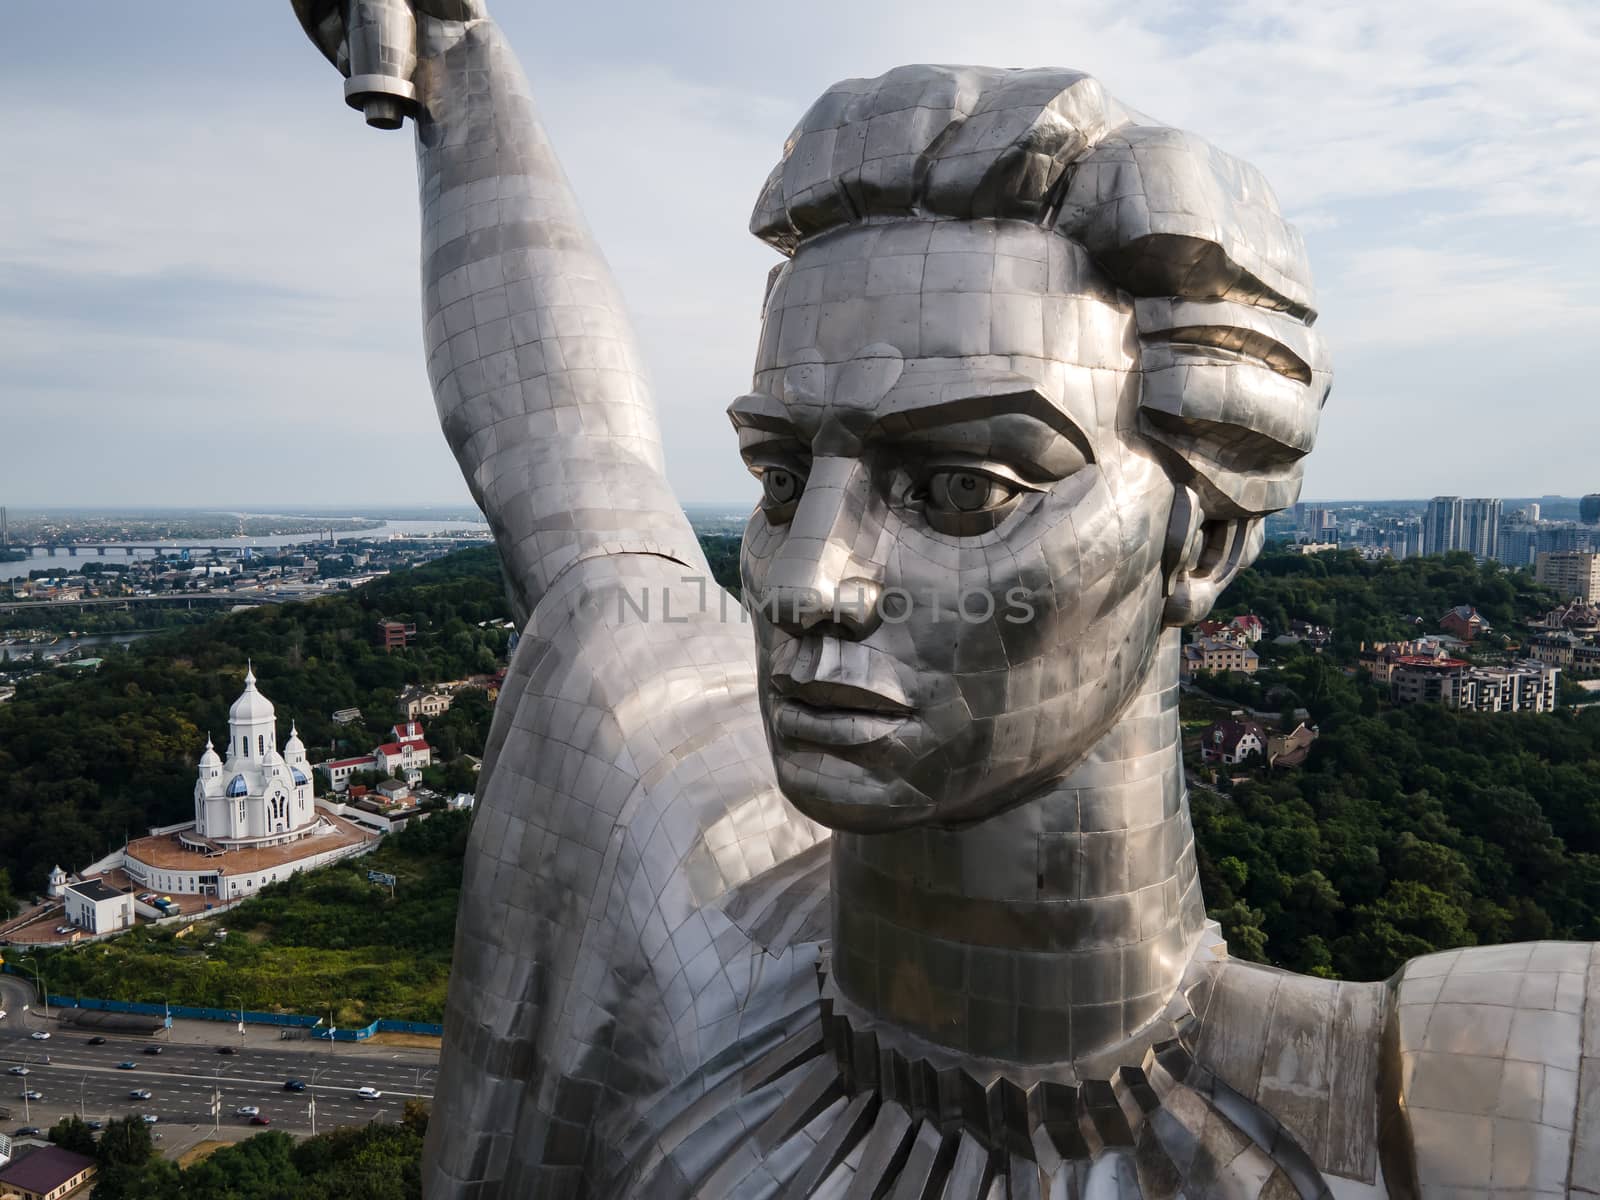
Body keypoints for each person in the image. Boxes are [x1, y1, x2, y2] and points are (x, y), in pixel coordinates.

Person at [291, 3, 1598, 1197]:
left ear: (1199, 543)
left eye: (962, 491)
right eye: (785, 473)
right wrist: (457, 61)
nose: (806, 580)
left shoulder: (1464, 1109)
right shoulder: (693, 931)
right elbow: (571, 469)